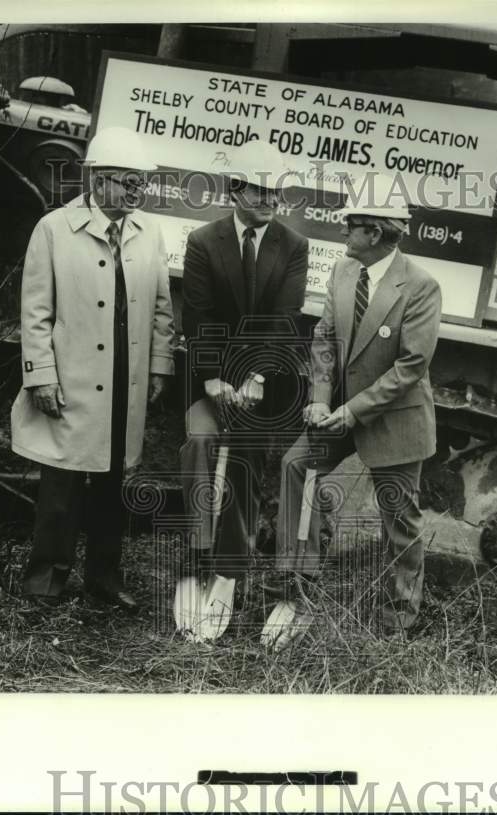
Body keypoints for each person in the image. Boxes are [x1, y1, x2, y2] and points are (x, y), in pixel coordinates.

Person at [264, 173, 441, 637]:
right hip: (338, 410)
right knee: (295, 465)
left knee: (399, 516)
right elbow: (324, 337)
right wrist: (321, 400)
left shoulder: (420, 287)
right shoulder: (344, 271)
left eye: (351, 226)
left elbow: (411, 366)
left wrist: (354, 409)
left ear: (375, 232)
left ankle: (398, 618)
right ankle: (298, 581)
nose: (343, 232)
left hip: (392, 416)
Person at [11, 126, 174, 610]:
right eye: (129, 181)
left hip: (126, 375)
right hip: (72, 378)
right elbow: (35, 312)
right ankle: (45, 581)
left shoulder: (148, 232)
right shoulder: (54, 229)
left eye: (142, 182)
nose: (138, 191)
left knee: (112, 485)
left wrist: (159, 366)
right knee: (61, 486)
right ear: (99, 181)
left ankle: (103, 579)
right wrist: (40, 375)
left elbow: (161, 308)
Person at [178, 139, 309, 615]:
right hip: (210, 380)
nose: (271, 201)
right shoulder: (203, 241)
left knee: (245, 464)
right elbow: (198, 315)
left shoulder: (293, 246)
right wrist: (214, 379)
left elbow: (284, 318)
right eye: (260, 191)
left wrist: (256, 376)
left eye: (276, 193)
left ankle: (228, 572)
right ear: (235, 191)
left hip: (260, 385)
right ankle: (196, 557)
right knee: (199, 443)